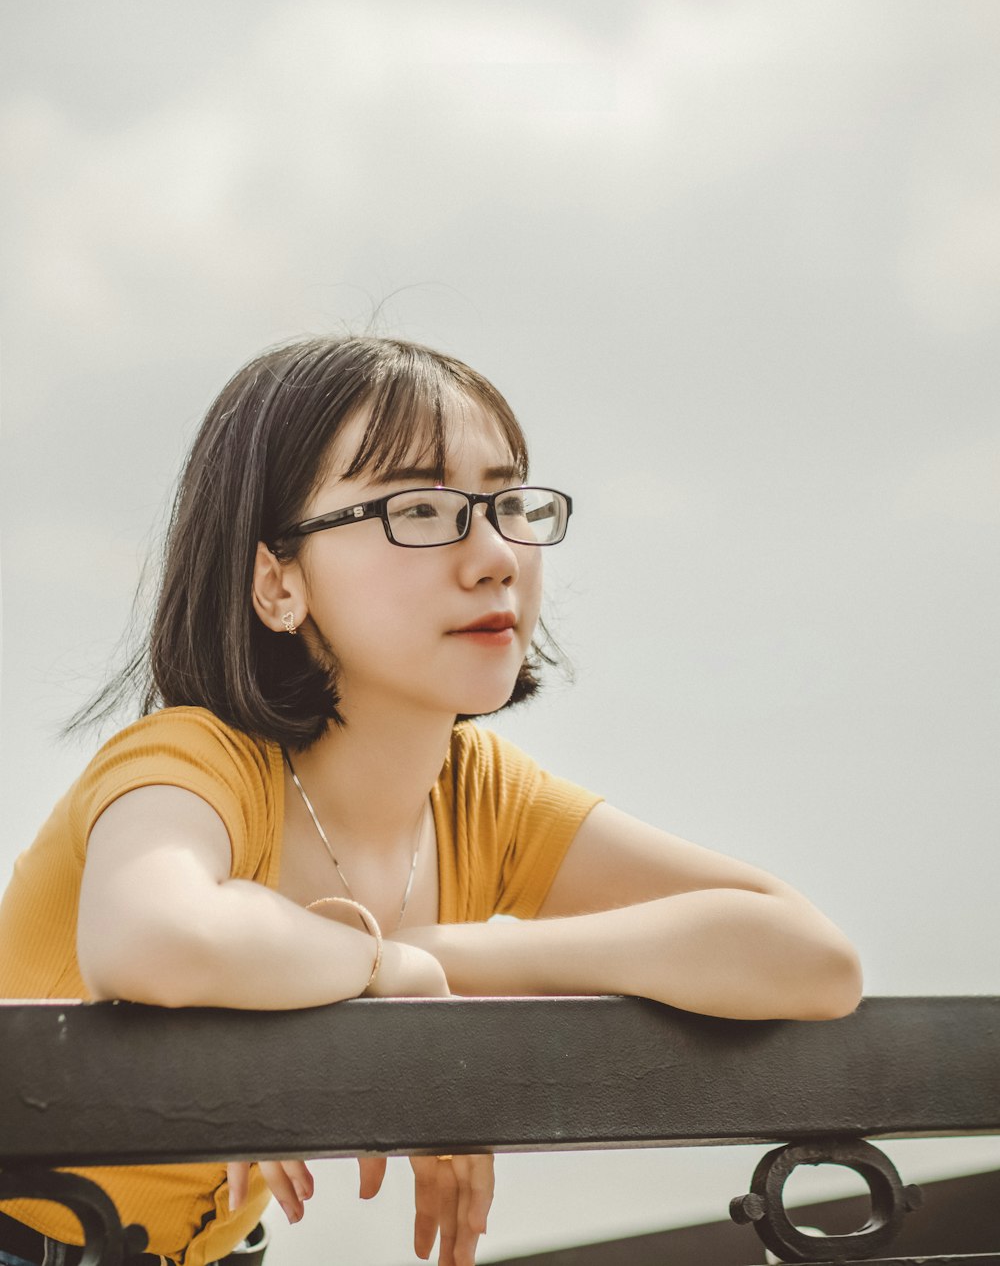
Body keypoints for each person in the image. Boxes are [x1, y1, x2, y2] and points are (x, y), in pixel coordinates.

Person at [0, 335, 862, 1266]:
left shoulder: (478, 794)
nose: (495, 556)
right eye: (419, 508)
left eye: (507, 502)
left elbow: (810, 960)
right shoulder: (191, 760)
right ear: (278, 581)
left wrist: (435, 960)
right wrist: (382, 972)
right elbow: (150, 941)